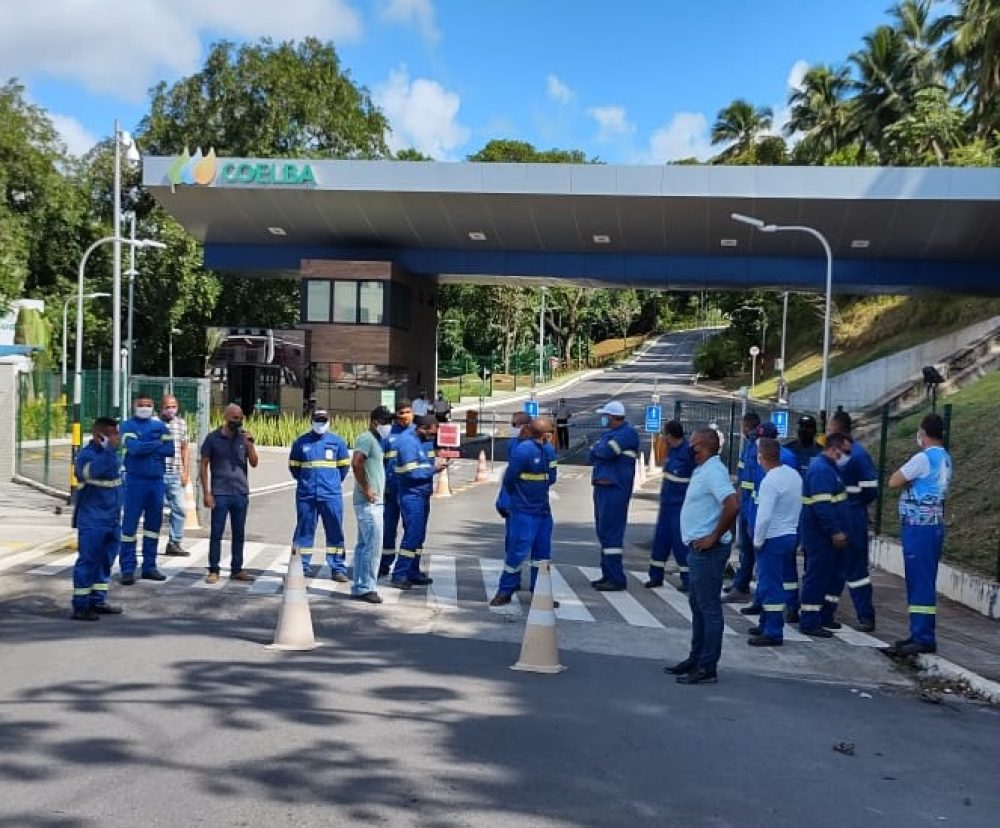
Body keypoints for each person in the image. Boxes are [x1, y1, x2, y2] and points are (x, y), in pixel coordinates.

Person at [665, 427, 740, 684]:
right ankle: (696, 658)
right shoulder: (704, 469)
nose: (690, 449)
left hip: (708, 550)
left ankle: (707, 666)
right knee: (697, 606)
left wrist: (713, 537)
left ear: (705, 445)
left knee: (708, 609)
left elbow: (733, 504)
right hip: (698, 549)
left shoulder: (714, 471)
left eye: (694, 445)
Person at [887, 413, 952, 656]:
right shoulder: (945, 458)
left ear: (924, 434)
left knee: (920, 581)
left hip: (918, 526)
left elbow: (894, 480)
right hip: (932, 525)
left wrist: (907, 483)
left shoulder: (923, 459)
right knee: (922, 579)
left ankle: (923, 636)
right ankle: (918, 633)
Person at [490, 418, 558, 606]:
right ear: (545, 435)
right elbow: (509, 479)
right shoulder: (524, 450)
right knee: (517, 552)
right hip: (524, 511)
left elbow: (551, 478)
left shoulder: (548, 451)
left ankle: (541, 593)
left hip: (542, 510)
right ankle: (505, 591)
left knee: (542, 555)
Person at [823, 410, 879, 632]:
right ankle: (825, 612)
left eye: (829, 429)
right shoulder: (836, 454)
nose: (826, 433)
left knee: (856, 569)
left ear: (838, 430)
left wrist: (854, 506)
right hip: (840, 516)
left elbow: (870, 490)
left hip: (852, 517)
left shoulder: (857, 455)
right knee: (834, 567)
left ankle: (866, 616)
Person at [747, 437, 802, 646]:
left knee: (771, 587)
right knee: (769, 583)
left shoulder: (769, 481)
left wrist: (758, 541)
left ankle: (773, 631)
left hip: (772, 537)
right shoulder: (793, 475)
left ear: (761, 456)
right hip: (789, 535)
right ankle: (764, 623)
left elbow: (764, 517)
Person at [739, 422, 798, 616]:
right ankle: (762, 607)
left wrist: (757, 536)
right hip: (771, 523)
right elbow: (749, 489)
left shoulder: (781, 465)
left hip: (773, 529)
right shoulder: (788, 472)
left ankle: (784, 612)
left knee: (777, 575)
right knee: (765, 573)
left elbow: (767, 508)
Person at [70, 417, 125, 621]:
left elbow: (116, 482)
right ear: (99, 435)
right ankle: (80, 606)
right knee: (88, 561)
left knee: (105, 560)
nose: (117, 438)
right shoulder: (87, 456)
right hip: (92, 518)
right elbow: (91, 472)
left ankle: (98, 600)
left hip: (112, 518)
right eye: (112, 434)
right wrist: (108, 450)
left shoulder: (112, 454)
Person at [288, 409, 352, 579]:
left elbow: (344, 468)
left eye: (323, 421)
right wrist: (306, 482)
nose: (320, 424)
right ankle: (301, 566)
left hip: (331, 494)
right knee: (304, 530)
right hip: (306, 494)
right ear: (311, 421)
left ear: (329, 421)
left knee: (335, 531)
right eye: (317, 420)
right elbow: (294, 468)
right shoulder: (301, 442)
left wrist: (331, 483)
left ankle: (338, 567)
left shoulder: (337, 442)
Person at [798, 433, 851, 637]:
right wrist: (835, 531)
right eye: (845, 451)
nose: (847, 455)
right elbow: (822, 507)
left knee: (833, 577)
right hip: (821, 536)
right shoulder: (821, 470)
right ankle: (810, 621)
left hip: (831, 536)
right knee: (817, 577)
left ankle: (825, 615)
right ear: (834, 449)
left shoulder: (831, 468)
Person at [118, 395, 174, 584]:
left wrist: (146, 445)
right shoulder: (127, 426)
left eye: (149, 405)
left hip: (156, 482)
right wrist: (156, 444)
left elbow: (170, 450)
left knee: (153, 527)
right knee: (129, 527)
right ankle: (127, 569)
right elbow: (133, 449)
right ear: (134, 406)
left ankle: (149, 566)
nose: (145, 408)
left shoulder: (159, 426)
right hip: (135, 481)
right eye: (141, 405)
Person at [199, 403, 258, 584]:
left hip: (240, 493)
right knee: (216, 532)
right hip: (220, 493)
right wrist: (206, 493)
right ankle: (214, 569)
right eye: (234, 417)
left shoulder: (243, 438)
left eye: (240, 418)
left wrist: (250, 445)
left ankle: (237, 569)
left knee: (239, 533)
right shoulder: (212, 438)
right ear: (225, 417)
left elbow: (254, 463)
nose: (238, 421)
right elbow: (203, 465)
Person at [589, 400, 640, 592]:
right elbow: (592, 456)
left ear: (612, 416)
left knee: (611, 533)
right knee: (603, 532)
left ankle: (616, 578)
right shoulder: (610, 434)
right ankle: (607, 574)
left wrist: (597, 449)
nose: (603, 419)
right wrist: (597, 450)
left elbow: (606, 452)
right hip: (602, 488)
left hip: (615, 489)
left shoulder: (627, 433)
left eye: (605, 416)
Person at [389, 414, 444, 589]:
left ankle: (413, 571)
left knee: (419, 536)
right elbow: (411, 472)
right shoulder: (407, 443)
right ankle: (399, 574)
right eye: (431, 433)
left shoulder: (419, 441)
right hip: (411, 495)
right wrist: (434, 470)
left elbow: (422, 464)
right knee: (412, 535)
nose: (433, 437)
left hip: (421, 494)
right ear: (422, 429)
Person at [350, 406, 395, 604]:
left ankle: (360, 585)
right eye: (385, 422)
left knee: (364, 545)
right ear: (375, 421)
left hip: (374, 501)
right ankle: (366, 587)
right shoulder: (367, 439)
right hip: (369, 502)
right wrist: (367, 489)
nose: (388, 426)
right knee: (372, 546)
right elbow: (357, 463)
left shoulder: (378, 440)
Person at [646, 419, 693, 591]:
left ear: (671, 435)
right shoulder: (672, 451)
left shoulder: (687, 452)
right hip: (666, 504)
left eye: (665, 434)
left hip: (680, 506)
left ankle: (688, 579)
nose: (663, 438)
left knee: (680, 544)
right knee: (660, 541)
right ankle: (655, 576)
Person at [725, 411, 761, 601]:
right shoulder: (749, 446)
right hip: (746, 501)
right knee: (744, 547)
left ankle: (742, 586)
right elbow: (742, 473)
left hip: (753, 504)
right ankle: (741, 582)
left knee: (750, 548)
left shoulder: (756, 446)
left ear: (747, 426)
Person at [379, 399, 414, 577]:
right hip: (391, 489)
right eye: (401, 413)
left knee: (412, 529)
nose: (405, 416)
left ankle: (410, 568)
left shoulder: (419, 432)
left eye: (407, 412)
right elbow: (379, 462)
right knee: (388, 528)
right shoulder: (388, 434)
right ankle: (384, 564)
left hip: (411, 490)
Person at [159, 394, 191, 557]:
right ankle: (150, 542)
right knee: (154, 510)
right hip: (157, 473)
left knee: (179, 509)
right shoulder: (154, 424)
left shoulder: (181, 424)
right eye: (168, 407)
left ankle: (174, 542)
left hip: (175, 472)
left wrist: (185, 471)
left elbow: (185, 448)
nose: (171, 410)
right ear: (161, 407)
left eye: (174, 406)